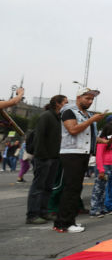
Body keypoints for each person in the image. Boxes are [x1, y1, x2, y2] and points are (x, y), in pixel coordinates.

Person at [53, 88, 106, 233]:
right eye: (87, 98)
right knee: (71, 189)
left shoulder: (86, 114)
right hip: (72, 153)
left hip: (83, 153)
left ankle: (67, 221)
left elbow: (89, 136)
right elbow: (73, 130)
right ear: (78, 97)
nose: (90, 101)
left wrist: (103, 141)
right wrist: (92, 120)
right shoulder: (69, 111)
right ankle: (64, 223)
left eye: (92, 99)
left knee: (75, 189)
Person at [26, 95, 67, 224]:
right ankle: (32, 215)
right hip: (44, 157)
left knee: (48, 187)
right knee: (38, 187)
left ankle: (44, 212)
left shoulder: (57, 118)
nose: (67, 105)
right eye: (65, 102)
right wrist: (42, 156)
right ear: (57, 103)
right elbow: (39, 137)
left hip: (53, 157)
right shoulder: (46, 116)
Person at [90, 124, 112, 218]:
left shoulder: (111, 142)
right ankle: (94, 209)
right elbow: (99, 156)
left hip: (109, 166)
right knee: (98, 189)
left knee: (103, 189)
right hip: (103, 167)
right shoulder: (102, 141)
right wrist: (101, 170)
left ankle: (101, 208)